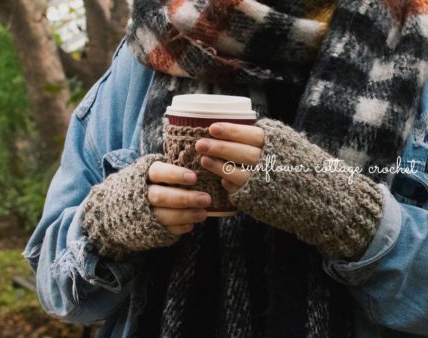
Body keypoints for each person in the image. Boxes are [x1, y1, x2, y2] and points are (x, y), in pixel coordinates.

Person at [25, 0, 428, 337]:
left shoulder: (412, 55)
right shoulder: (150, 50)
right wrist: (108, 225)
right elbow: (55, 286)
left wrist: (351, 217)